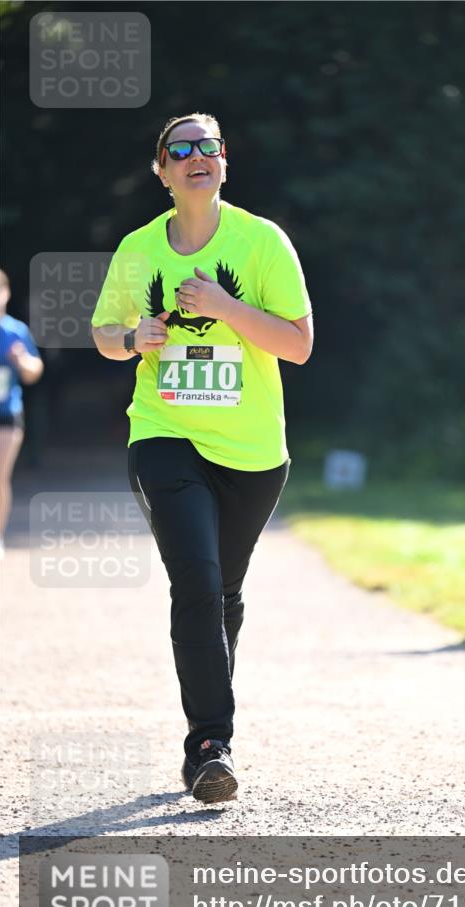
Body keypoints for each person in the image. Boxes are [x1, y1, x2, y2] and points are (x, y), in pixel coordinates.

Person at [91, 113, 313, 802]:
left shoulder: (260, 241)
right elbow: (103, 331)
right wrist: (135, 337)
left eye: (207, 146)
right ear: (161, 171)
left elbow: (298, 344)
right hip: (163, 432)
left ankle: (213, 708)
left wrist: (222, 305)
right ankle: (210, 746)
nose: (196, 157)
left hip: (251, 451)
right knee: (195, 583)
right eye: (180, 149)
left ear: (224, 162)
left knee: (221, 593)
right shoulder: (136, 250)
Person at [0, 269, 44, 556]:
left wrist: (21, 360)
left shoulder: (16, 331)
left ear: (6, 293)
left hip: (6, 414)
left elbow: (34, 371)